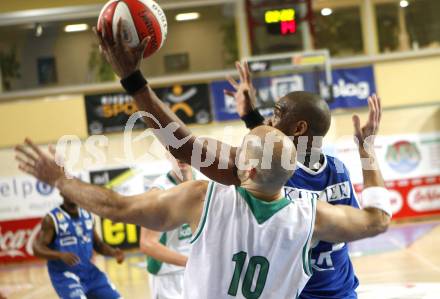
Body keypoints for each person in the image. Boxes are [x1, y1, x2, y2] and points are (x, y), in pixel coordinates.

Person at [94, 22, 390, 298]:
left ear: (298, 127)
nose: (270, 120)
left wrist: (134, 81)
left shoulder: (261, 169)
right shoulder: (334, 169)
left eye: (277, 113)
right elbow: (373, 219)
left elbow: (183, 145)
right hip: (339, 291)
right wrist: (367, 151)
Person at [15, 126, 390, 299]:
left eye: (240, 150)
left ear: (248, 170)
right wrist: (367, 151)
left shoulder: (203, 197)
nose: (232, 152)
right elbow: (377, 220)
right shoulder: (313, 216)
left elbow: (117, 207)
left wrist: (62, 182)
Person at [32, 194, 125, 299]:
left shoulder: (87, 215)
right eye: (69, 191)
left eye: (74, 189)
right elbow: (37, 248)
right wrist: (60, 255)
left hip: (89, 272)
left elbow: (97, 244)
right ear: (62, 193)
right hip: (65, 275)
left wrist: (113, 252)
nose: (73, 192)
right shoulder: (52, 219)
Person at [140, 160, 194, 299]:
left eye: (185, 149)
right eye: (175, 150)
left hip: (196, 272)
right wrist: (190, 262)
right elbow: (147, 244)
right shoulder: (159, 192)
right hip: (168, 276)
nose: (180, 156)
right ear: (167, 154)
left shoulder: (203, 183)